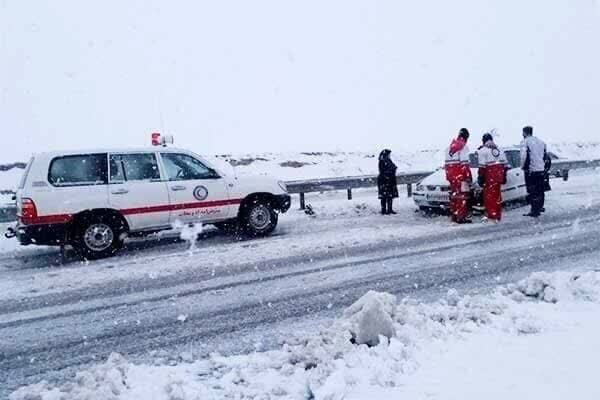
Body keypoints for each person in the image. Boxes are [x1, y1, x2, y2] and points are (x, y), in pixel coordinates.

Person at [477, 133, 508, 222]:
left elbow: (482, 167)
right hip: (499, 175)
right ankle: (498, 215)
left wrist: (480, 177)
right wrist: (504, 175)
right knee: (497, 195)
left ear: (483, 141)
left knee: (489, 196)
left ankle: (492, 215)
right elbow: (505, 165)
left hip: (489, 176)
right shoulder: (500, 149)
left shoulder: (483, 150)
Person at [445, 128, 473, 223]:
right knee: (462, 196)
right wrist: (468, 176)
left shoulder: (448, 148)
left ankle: (454, 216)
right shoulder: (463, 147)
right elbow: (464, 164)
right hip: (460, 175)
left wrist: (449, 175)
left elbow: (447, 164)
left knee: (454, 196)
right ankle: (461, 217)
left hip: (451, 175)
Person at [520, 126, 548, 217]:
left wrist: (523, 166)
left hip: (531, 170)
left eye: (523, 133)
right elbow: (545, 156)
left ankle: (534, 210)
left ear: (524, 133)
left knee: (532, 190)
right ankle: (540, 207)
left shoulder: (525, 142)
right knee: (540, 190)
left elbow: (524, 156)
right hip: (541, 169)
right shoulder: (541, 142)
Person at [377, 149, 399, 215]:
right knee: (384, 197)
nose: (389, 155)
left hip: (390, 180)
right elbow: (382, 171)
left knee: (390, 196)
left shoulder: (388, 160)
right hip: (384, 180)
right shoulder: (382, 161)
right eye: (389, 154)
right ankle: (383, 210)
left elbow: (393, 167)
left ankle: (389, 209)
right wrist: (388, 175)